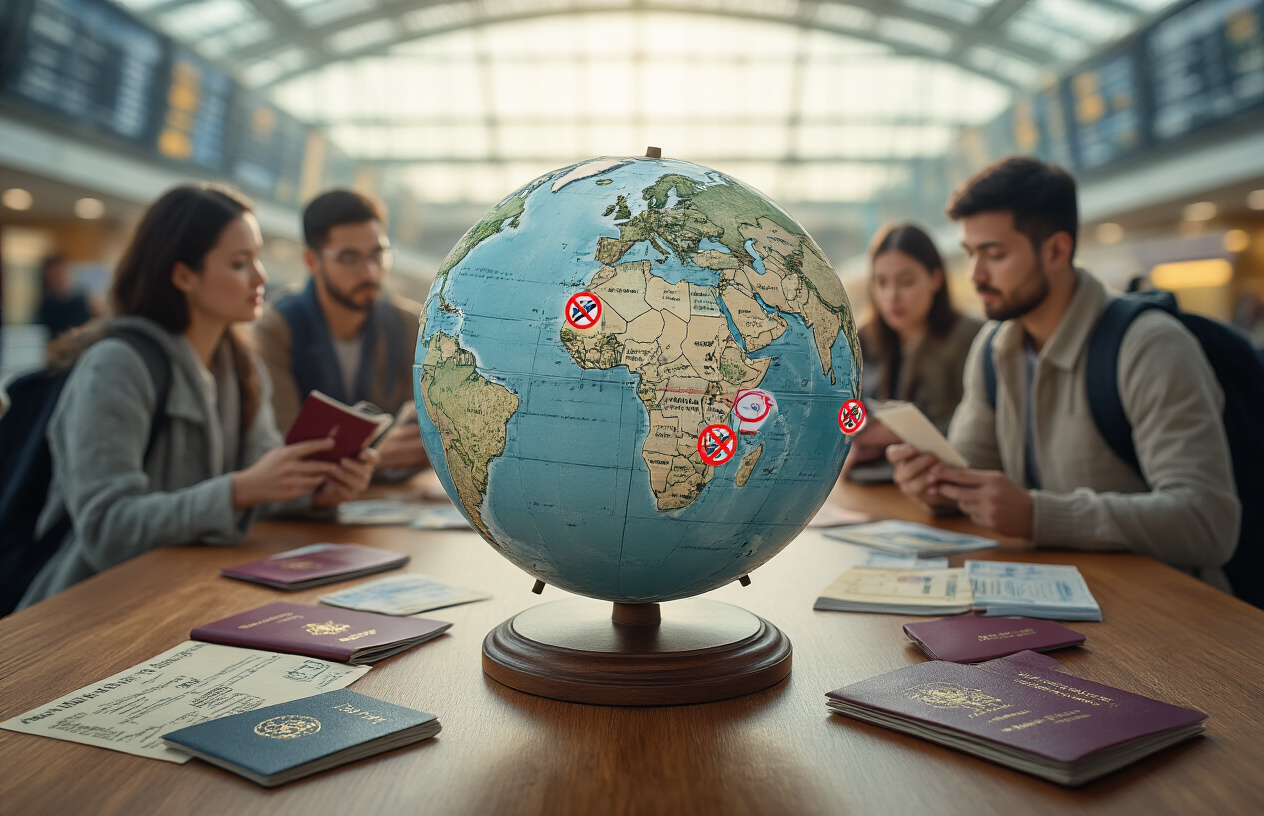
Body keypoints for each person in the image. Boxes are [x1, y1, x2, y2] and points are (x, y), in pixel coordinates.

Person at [888, 157, 1240, 591]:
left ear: (1055, 251)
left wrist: (1038, 515)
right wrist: (937, 487)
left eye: (994, 254)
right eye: (970, 253)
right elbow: (974, 475)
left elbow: (1208, 522)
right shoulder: (993, 350)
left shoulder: (1150, 346)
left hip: (1170, 617)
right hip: (1057, 600)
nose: (976, 275)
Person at [18, 185, 378, 609]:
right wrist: (239, 491)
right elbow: (108, 529)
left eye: (257, 258)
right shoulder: (116, 365)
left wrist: (319, 491)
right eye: (240, 263)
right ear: (183, 275)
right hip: (88, 610)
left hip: (183, 595)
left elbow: (260, 475)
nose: (261, 277)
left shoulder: (239, 363)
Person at [254, 190, 428, 476]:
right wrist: (375, 456)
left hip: (393, 502)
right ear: (311, 261)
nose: (370, 273)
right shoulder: (275, 331)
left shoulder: (409, 325)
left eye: (378, 255)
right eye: (350, 258)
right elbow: (280, 447)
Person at [849, 223, 982, 466]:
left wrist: (901, 433)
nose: (892, 296)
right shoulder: (862, 340)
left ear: (936, 279)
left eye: (906, 282)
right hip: (873, 477)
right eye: (881, 283)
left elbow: (979, 428)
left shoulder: (970, 337)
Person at [34, 256, 95, 341]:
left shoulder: (83, 301)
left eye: (61, 272)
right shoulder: (45, 305)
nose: (59, 277)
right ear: (47, 276)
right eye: (54, 274)